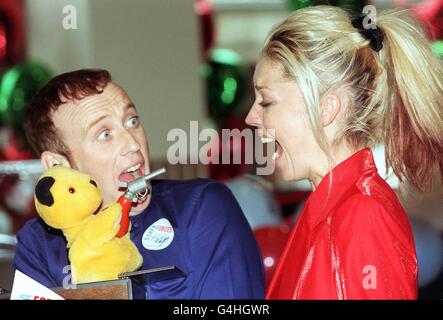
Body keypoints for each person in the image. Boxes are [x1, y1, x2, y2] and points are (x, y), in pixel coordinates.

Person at [246, 5, 443, 299]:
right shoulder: (324, 210)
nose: (250, 117)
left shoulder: (363, 216)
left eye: (266, 102)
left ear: (327, 108)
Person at [13, 69, 265, 299]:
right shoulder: (39, 245)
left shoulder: (201, 207)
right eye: (105, 134)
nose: (133, 143)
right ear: (59, 166)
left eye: (132, 120)